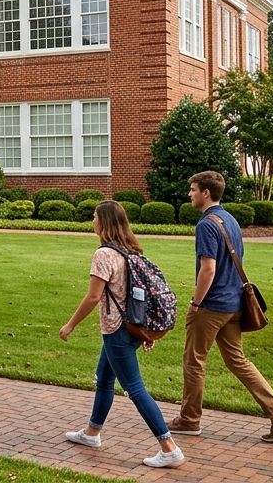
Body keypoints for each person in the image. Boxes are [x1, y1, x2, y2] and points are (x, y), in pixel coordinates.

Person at [168, 171, 273, 443]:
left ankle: (189, 420)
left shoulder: (206, 225)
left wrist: (195, 302)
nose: (189, 194)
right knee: (238, 361)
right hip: (235, 304)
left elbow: (208, 269)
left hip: (212, 306)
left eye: (192, 190)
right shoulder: (231, 220)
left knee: (194, 361)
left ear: (206, 193)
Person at [59, 201, 185, 469]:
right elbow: (139, 297)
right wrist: (145, 333)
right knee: (104, 378)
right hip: (131, 326)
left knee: (135, 388)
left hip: (116, 330)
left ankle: (169, 447)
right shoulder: (132, 252)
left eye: (94, 217)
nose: (92, 221)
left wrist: (70, 325)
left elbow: (94, 296)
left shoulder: (104, 254)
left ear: (104, 222)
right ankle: (92, 433)